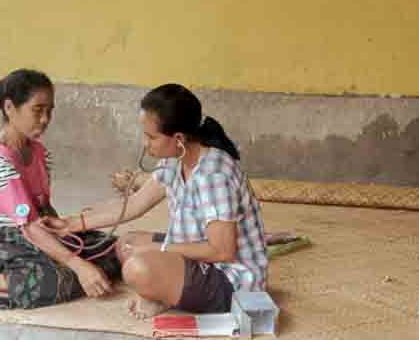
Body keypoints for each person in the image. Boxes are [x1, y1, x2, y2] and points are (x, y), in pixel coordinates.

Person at [43, 83, 268, 318]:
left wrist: (159, 249)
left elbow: (222, 251)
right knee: (126, 243)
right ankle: (167, 293)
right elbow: (134, 204)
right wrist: (72, 223)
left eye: (151, 137)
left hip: (232, 282)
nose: (145, 144)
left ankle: (165, 291)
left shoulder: (213, 177)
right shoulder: (176, 159)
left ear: (178, 138)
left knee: (137, 268)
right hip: (201, 254)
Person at [0, 68, 119, 309]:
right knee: (54, 280)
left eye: (49, 111)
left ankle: (53, 268)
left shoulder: (39, 152)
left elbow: (43, 210)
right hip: (2, 244)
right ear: (10, 108)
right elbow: (29, 227)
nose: (45, 119)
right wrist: (77, 264)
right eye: (37, 110)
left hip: (35, 235)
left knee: (113, 251)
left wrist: (70, 237)